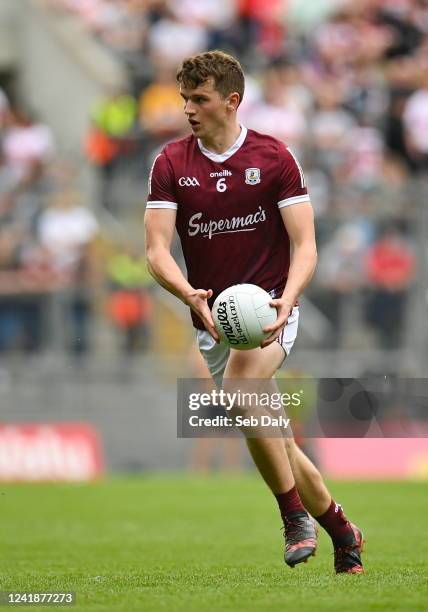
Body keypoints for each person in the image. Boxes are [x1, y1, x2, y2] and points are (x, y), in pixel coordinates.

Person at [144, 50, 364, 573]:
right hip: (212, 320)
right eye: (185, 100)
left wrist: (288, 299)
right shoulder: (171, 162)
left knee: (246, 391)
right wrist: (190, 296)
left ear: (231, 100)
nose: (189, 110)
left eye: (200, 99)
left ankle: (293, 519)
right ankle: (342, 529)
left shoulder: (274, 157)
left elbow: (306, 244)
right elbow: (155, 252)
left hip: (268, 311)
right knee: (278, 440)